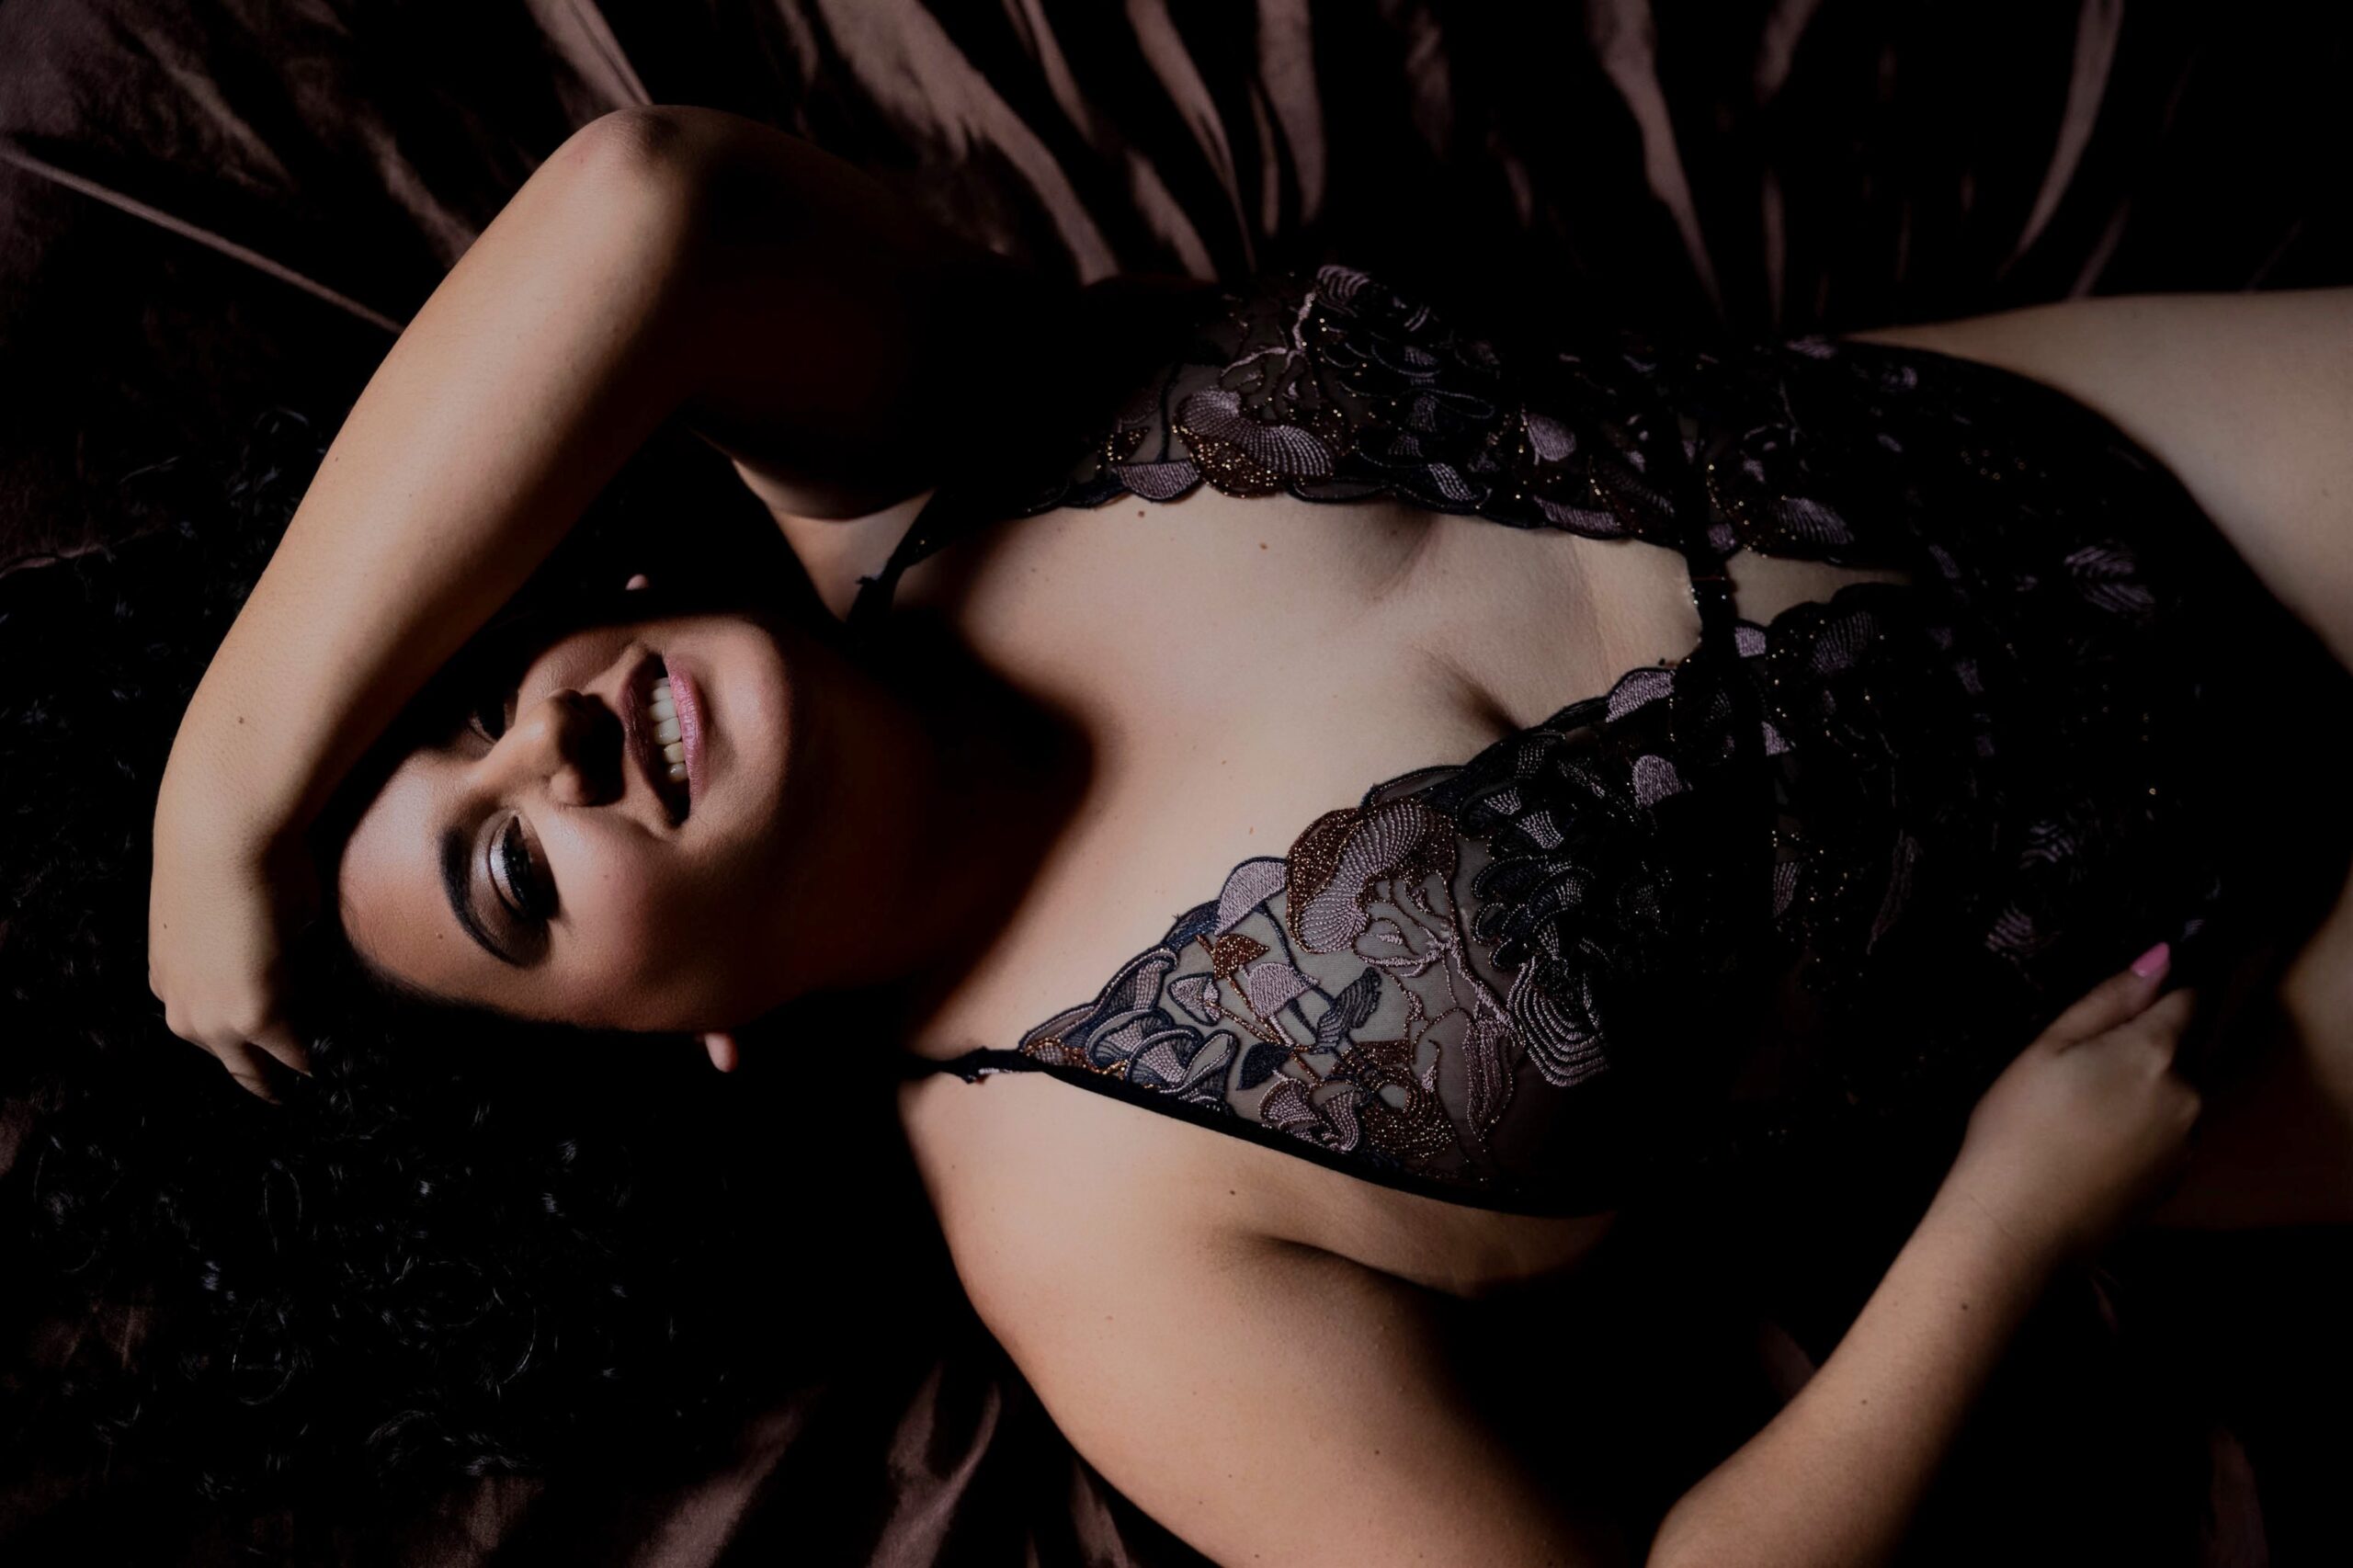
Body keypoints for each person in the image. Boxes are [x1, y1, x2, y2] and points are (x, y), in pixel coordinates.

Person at [144, 104, 2353, 1564]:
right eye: (513, 873)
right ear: (660, 1053)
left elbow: (638, 200)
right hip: (2181, 994)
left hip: (2074, 440)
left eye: (469, 690)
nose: (556, 744)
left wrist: (231, 785)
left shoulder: (914, 440)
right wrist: (2000, 1226)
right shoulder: (1088, 1236)